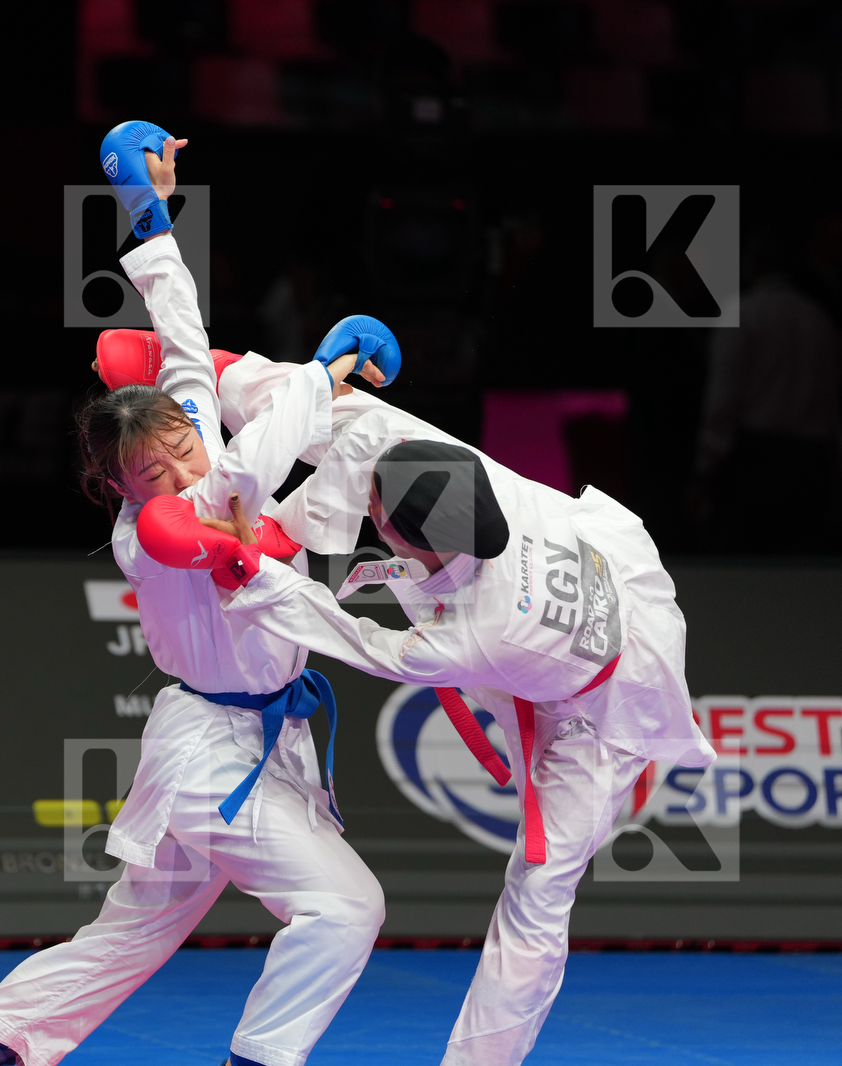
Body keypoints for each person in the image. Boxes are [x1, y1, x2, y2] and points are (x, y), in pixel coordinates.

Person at [0, 123, 386, 1066]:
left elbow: (186, 331)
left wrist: (147, 203)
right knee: (348, 905)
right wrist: (320, 376)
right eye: (146, 469)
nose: (172, 466)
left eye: (178, 446)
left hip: (252, 740)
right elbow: (249, 469)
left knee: (133, 934)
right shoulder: (155, 532)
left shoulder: (193, 429)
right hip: (210, 760)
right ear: (117, 486)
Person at [158, 351, 715, 1066]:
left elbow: (354, 638)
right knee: (381, 431)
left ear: (396, 532)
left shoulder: (474, 631)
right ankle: (227, 368)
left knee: (539, 894)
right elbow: (377, 426)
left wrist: (254, 575)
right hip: (604, 571)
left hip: (597, 721)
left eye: (376, 510)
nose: (368, 504)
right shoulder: (478, 484)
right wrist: (227, 368)